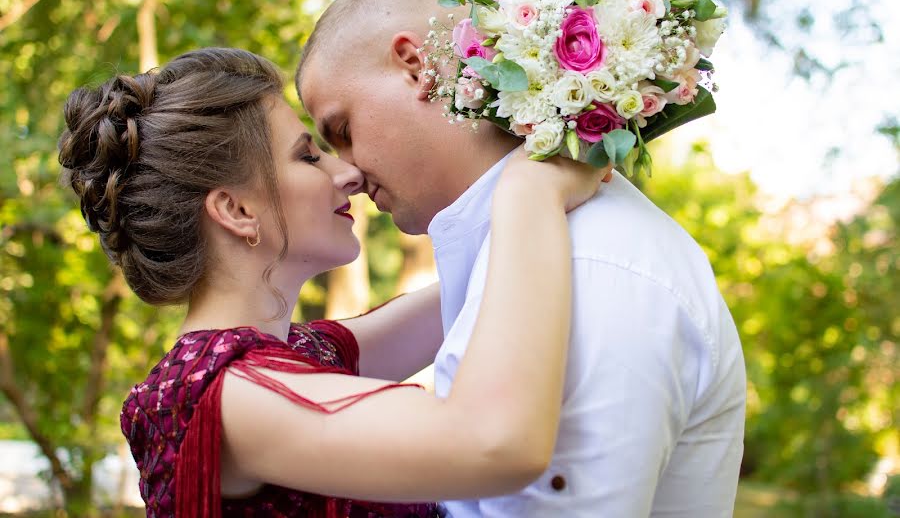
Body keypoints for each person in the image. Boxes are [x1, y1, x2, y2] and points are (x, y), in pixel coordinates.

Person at [58, 47, 610, 517]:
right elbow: (496, 444)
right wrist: (529, 194)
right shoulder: (228, 396)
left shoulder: (297, 355)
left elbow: (488, 289)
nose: (347, 172)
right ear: (235, 209)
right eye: (308, 156)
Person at [297, 0, 748, 517]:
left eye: (342, 131)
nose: (348, 171)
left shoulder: (590, 265)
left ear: (416, 66)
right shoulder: (529, 255)